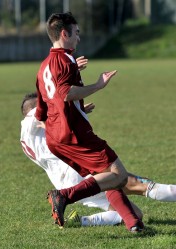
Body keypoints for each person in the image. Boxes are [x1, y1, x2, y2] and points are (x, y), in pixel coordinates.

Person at [20, 92, 176, 227]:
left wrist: (77, 112)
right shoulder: (31, 118)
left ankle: (80, 222)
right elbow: (48, 118)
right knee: (134, 183)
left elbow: (54, 125)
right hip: (78, 172)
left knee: (134, 213)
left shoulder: (25, 138)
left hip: (66, 180)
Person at [34, 12, 143, 232]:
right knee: (118, 175)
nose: (79, 38)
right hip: (74, 133)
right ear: (64, 33)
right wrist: (98, 85)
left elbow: (43, 109)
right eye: (76, 33)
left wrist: (79, 109)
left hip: (56, 136)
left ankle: (134, 223)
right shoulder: (63, 60)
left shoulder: (45, 66)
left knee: (102, 176)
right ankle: (64, 196)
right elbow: (65, 94)